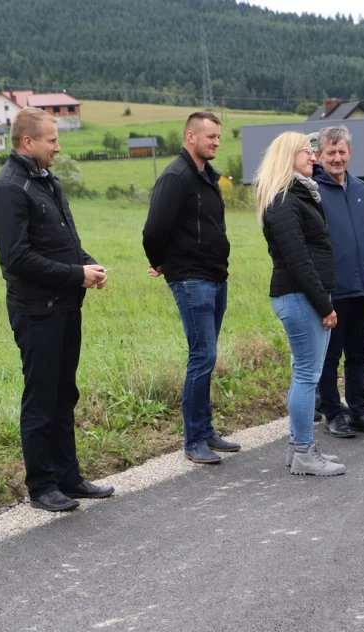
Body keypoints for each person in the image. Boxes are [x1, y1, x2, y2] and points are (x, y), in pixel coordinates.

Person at [0, 107, 113, 512]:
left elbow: (64, 241)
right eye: (52, 140)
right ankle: (41, 486)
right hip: (37, 310)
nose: (58, 147)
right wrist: (76, 274)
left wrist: (87, 264)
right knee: (41, 398)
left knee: (64, 394)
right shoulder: (8, 188)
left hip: (65, 304)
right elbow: (17, 258)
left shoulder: (46, 180)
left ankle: (68, 478)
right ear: (28, 142)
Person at [143, 112, 240, 464]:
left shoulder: (208, 177)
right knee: (203, 355)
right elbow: (154, 229)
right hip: (190, 278)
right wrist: (160, 262)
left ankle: (206, 430)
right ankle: (194, 440)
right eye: (210, 136)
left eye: (218, 137)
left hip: (215, 276)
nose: (216, 142)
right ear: (190, 137)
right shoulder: (176, 176)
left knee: (207, 356)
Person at [257, 131, 346, 476]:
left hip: (301, 295)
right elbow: (298, 260)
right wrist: (324, 304)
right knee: (308, 375)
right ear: (287, 157)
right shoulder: (284, 201)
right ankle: (305, 453)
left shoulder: (296, 195)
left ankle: (298, 449)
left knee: (303, 374)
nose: (313, 157)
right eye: (306, 152)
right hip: (300, 296)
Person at [312, 126, 364, 438]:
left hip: (362, 289)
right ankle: (333, 413)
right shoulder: (313, 193)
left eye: (342, 152)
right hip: (331, 292)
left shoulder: (362, 190)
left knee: (358, 354)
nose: (337, 158)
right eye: (330, 152)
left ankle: (358, 410)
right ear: (319, 155)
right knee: (330, 357)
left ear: (350, 153)